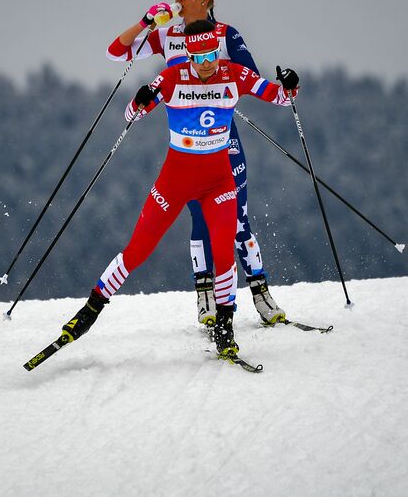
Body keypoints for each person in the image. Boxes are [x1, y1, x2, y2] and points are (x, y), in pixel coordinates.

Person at [60, 20, 299, 359]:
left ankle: (224, 327)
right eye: (199, 56)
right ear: (188, 54)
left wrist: (291, 85)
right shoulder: (172, 77)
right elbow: (132, 115)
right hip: (174, 182)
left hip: (219, 182)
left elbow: (279, 97)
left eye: (212, 55)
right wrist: (139, 101)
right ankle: (89, 311)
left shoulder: (234, 74)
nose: (206, 64)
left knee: (223, 252)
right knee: (137, 251)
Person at [106, 0, 287, 328]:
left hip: (223, 137)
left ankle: (261, 292)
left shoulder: (224, 33)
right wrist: (145, 22)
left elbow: (248, 77)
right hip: (184, 142)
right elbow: (116, 52)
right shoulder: (168, 33)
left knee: (236, 218)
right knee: (198, 218)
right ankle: (206, 299)